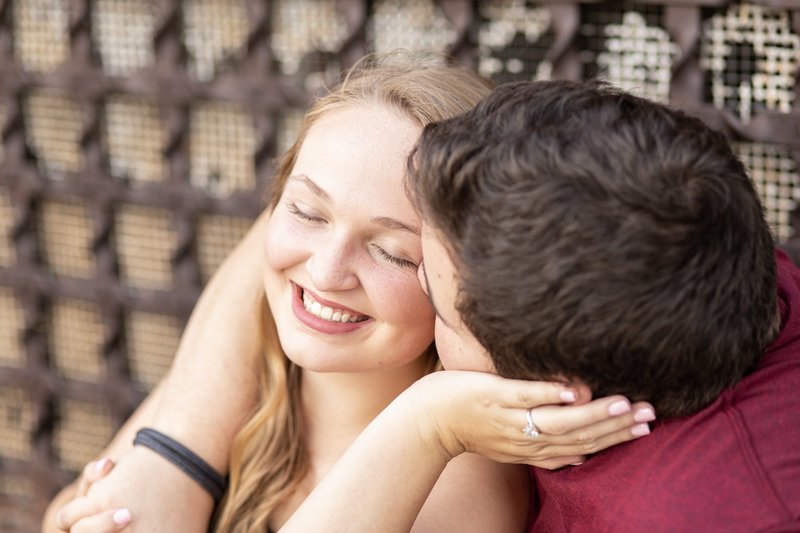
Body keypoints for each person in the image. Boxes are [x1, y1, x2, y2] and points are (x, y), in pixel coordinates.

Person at [44, 61, 652, 533]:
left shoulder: (461, 477)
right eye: (307, 211)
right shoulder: (249, 375)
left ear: (462, 283)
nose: (328, 271)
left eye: (392, 251)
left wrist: (426, 425)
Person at [277, 79, 800, 532]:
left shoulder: (709, 516)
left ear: (559, 390)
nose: (325, 273)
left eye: (433, 295)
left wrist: (427, 425)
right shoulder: (685, 237)